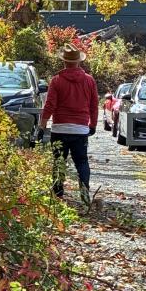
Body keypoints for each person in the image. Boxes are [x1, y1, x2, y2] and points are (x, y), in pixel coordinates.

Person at [38, 44, 99, 205]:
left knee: (59, 161)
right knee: (82, 162)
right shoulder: (89, 80)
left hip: (60, 128)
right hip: (80, 129)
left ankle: (57, 195)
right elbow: (94, 105)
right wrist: (92, 125)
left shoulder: (57, 81)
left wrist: (42, 126)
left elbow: (49, 105)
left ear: (64, 62)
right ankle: (84, 190)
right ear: (78, 62)